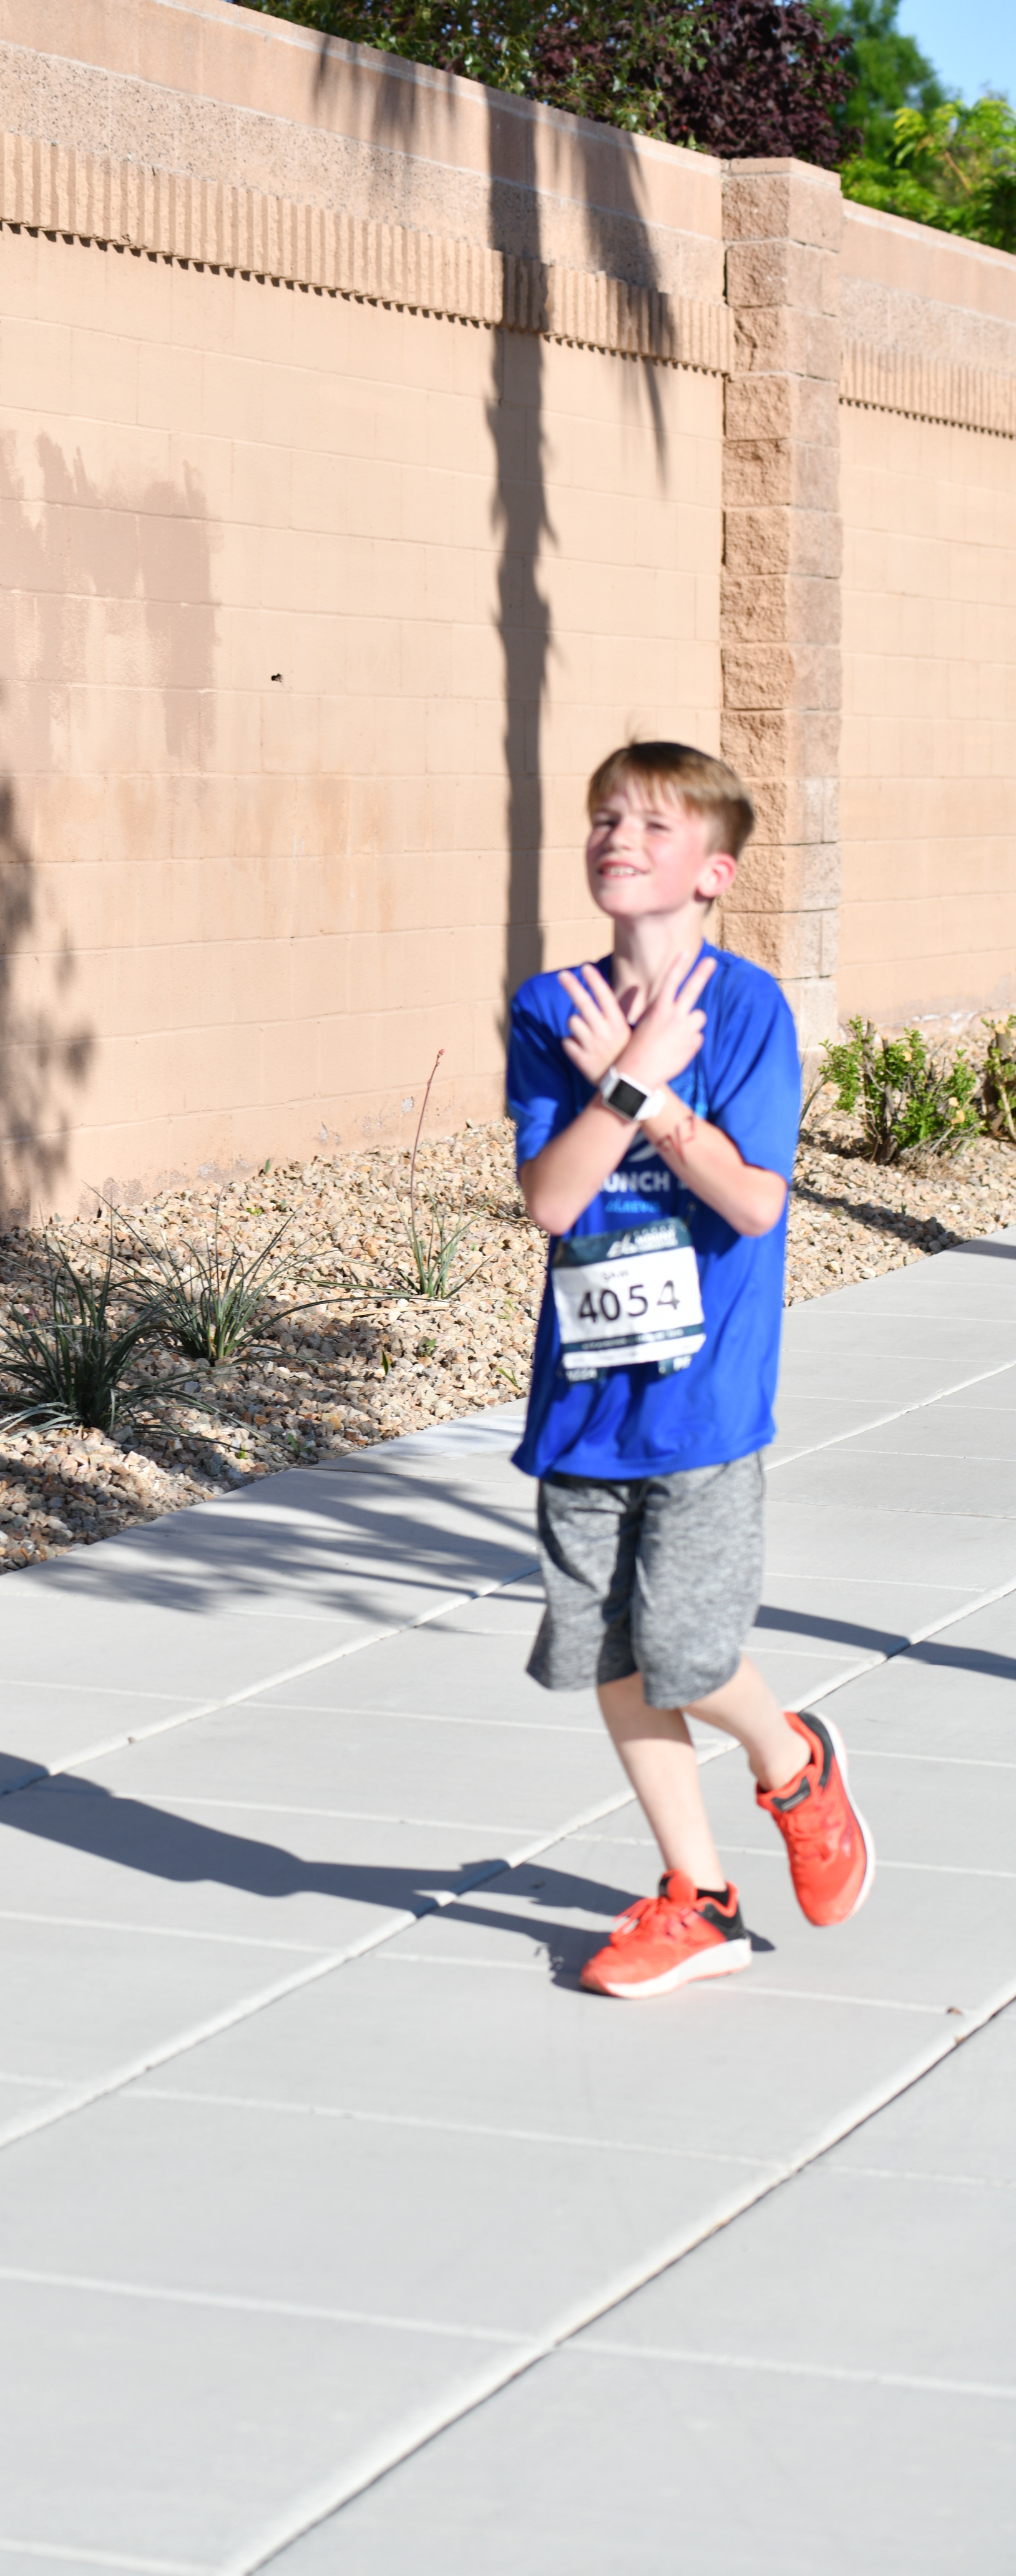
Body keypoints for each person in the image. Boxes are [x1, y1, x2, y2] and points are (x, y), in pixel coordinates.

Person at [506, 742, 872, 1999]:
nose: (617, 838)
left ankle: (794, 1763)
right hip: (583, 1400)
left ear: (713, 872)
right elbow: (552, 1201)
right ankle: (698, 1898)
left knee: (689, 1652)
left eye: (652, 826)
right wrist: (621, 1083)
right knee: (611, 1658)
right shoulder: (550, 1008)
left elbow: (755, 1202)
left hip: (704, 1396)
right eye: (604, 817)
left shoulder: (748, 1008)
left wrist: (654, 1098)